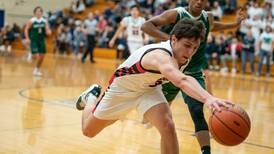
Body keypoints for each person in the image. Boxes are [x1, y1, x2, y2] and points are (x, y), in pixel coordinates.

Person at [76, 19, 232, 154]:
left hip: (149, 88)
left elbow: (187, 78)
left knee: (167, 124)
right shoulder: (160, 56)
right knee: (88, 131)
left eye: (195, 48)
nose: (190, 52)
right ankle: (90, 97)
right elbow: (182, 80)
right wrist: (209, 99)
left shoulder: (183, 55)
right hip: (123, 89)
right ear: (174, 39)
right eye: (187, 45)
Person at [141, 0, 247, 153]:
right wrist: (170, 39)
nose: (199, 1)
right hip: (171, 71)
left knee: (197, 111)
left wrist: (235, 24)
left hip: (194, 72)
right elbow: (146, 26)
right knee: (161, 117)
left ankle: (206, 151)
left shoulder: (208, 18)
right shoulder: (176, 14)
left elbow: (216, 26)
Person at [25, 6, 51, 76]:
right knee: (37, 56)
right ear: (34, 13)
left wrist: (48, 31)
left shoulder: (44, 21)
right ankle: (31, 53)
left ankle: (36, 69)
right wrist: (27, 38)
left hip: (41, 41)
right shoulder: (31, 21)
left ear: (41, 13)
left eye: (40, 11)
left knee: (42, 56)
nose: (38, 12)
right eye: (37, 11)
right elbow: (26, 29)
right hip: (34, 40)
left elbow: (47, 29)